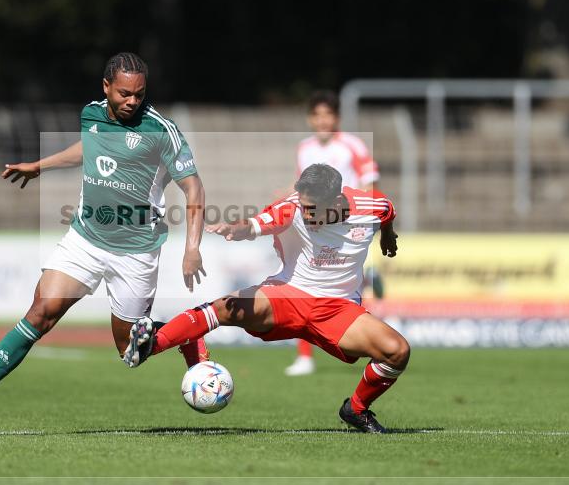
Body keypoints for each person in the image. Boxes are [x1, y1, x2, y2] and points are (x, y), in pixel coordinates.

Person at [0, 52, 209, 426]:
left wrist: (192, 248)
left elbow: (193, 187)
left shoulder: (160, 129)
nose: (132, 101)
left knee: (129, 352)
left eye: (139, 94)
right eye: (125, 93)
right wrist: (40, 165)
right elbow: (88, 149)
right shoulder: (91, 114)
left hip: (136, 252)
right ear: (106, 87)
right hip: (86, 239)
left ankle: (186, 333)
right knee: (40, 313)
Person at [123, 164, 409, 434]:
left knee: (396, 351)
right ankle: (151, 345)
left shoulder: (371, 206)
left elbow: (387, 212)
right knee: (224, 308)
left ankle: (356, 410)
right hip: (288, 294)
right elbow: (257, 223)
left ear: (335, 200)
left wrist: (387, 236)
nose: (305, 213)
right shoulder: (292, 207)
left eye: (312, 209)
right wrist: (237, 229)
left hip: (338, 309)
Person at [286, 90, 382, 376]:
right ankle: (305, 356)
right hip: (315, 228)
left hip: (346, 227)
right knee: (304, 284)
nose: (322, 120)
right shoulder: (304, 148)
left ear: (336, 117)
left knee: (349, 287)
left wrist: (362, 216)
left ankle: (368, 338)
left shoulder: (351, 145)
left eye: (328, 114)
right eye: (317, 115)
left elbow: (370, 183)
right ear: (310, 118)